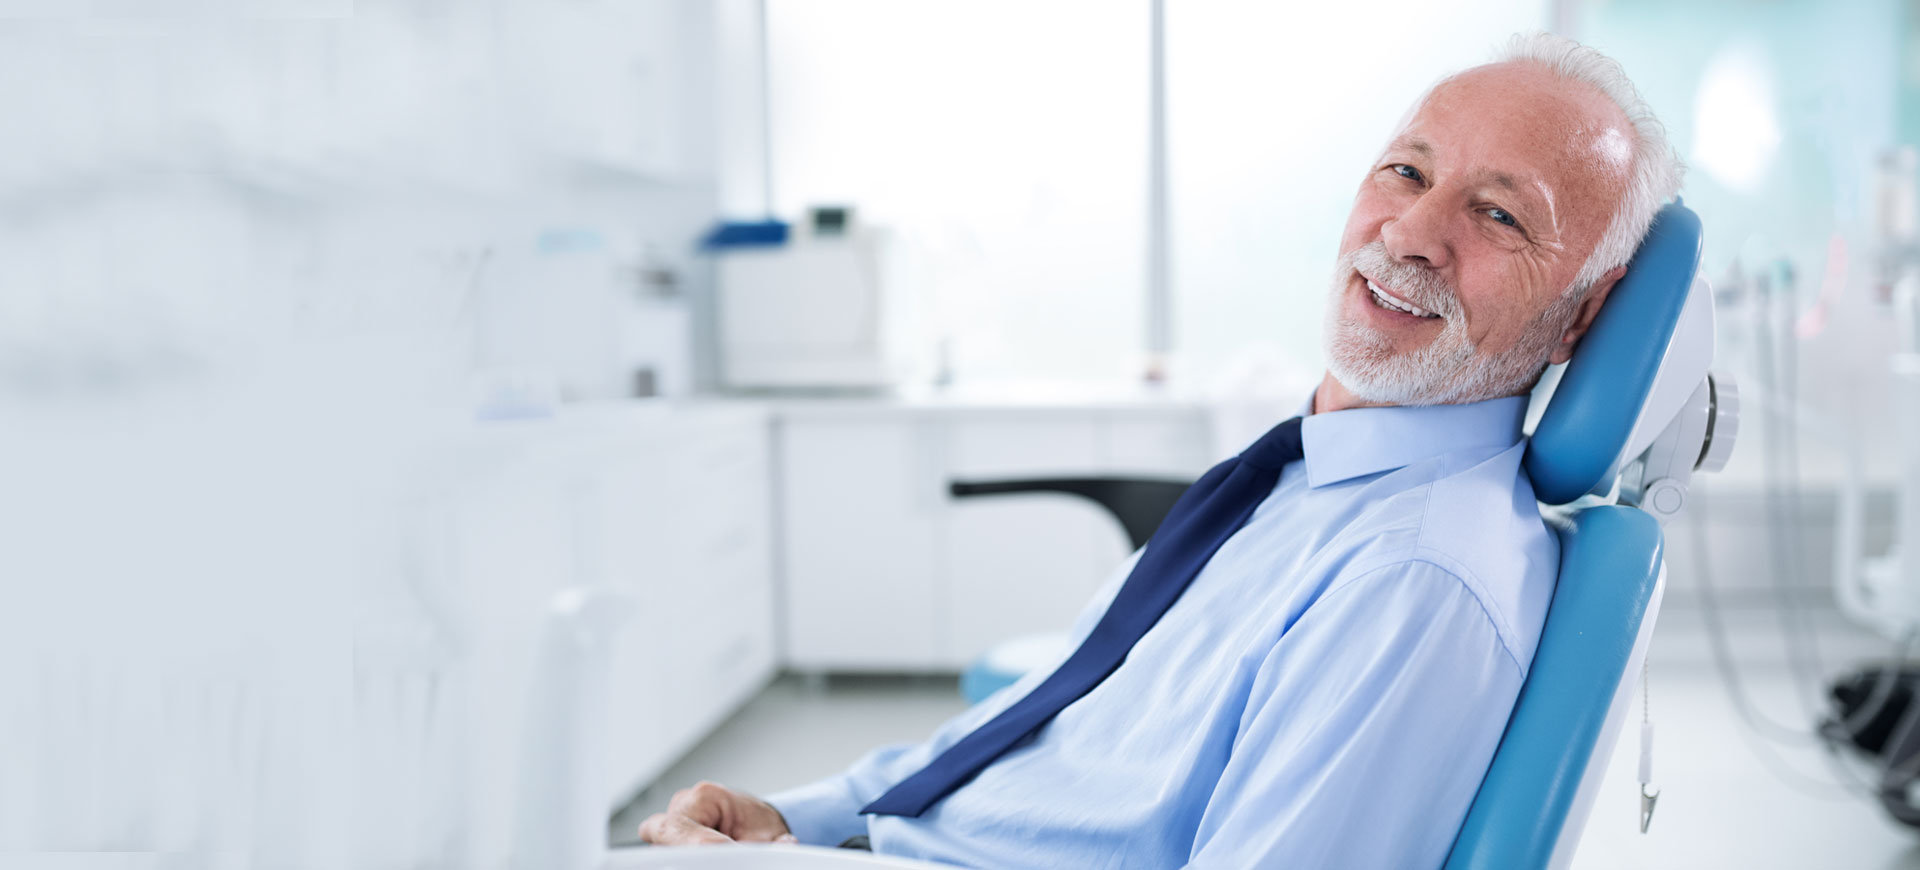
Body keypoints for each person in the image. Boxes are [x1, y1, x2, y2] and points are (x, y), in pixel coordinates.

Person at [638, 31, 1684, 868]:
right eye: (1404, 170)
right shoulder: (1299, 480)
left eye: (1498, 214)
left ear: (1582, 316)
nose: (1410, 232)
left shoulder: (1417, 578)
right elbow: (1052, 728)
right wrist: (801, 818)